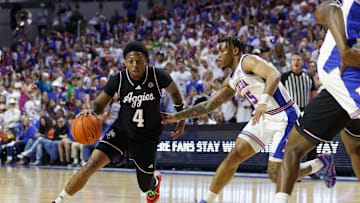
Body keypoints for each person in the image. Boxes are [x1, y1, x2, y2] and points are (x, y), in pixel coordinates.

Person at [162, 36, 333, 203]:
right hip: (264, 117)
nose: (219, 55)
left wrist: (263, 102)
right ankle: (207, 200)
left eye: (222, 51)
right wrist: (177, 116)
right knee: (234, 156)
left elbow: (274, 75)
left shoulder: (248, 61)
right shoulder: (232, 80)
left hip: (284, 116)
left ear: (234, 50)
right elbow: (209, 106)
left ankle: (320, 163)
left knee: (275, 174)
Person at [53, 41, 185, 203]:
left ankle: (154, 181)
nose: (135, 65)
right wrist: (91, 110)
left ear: (146, 61)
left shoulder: (159, 76)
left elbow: (176, 95)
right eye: (130, 61)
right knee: (90, 165)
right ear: (125, 63)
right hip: (122, 131)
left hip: (147, 137)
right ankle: (59, 201)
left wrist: (181, 120)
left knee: (145, 187)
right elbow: (100, 104)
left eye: (139, 60)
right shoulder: (119, 79)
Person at [274, 1, 360, 202]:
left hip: (343, 86)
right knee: (353, 146)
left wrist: (347, 53)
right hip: (333, 92)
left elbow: (327, 10)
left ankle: (319, 164)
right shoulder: (338, 11)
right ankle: (320, 164)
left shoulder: (344, 10)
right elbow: (325, 9)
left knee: (292, 152)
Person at [281, 52, 320, 180]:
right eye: (293, 60)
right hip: (290, 113)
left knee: (311, 141)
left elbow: (314, 94)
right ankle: (291, 171)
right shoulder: (284, 77)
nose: (296, 62)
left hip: (307, 112)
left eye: (298, 60)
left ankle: (311, 170)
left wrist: (314, 110)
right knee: (290, 143)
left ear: (303, 62)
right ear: (290, 63)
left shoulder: (309, 76)